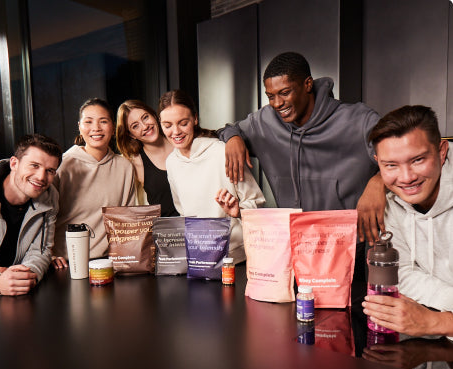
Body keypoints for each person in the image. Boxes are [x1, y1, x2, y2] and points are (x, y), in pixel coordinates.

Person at [218, 51, 386, 246]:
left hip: (349, 247)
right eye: (270, 96)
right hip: (296, 246)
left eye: (285, 92)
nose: (278, 104)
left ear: (307, 84)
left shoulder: (359, 120)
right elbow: (226, 129)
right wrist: (233, 138)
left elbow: (401, 155)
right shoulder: (265, 122)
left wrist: (379, 181)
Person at [362, 105, 453, 337]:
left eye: (418, 160)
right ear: (378, 163)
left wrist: (439, 322)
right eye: (391, 165)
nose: (406, 177)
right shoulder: (391, 205)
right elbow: (401, 272)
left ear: (442, 151)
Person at [158, 90, 265, 263]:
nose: (175, 131)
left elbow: (257, 203)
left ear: (195, 119)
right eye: (167, 125)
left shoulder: (222, 151)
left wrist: (239, 211)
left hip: (236, 259)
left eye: (183, 123)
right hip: (199, 260)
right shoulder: (171, 162)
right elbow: (183, 213)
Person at [52, 98, 137, 267]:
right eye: (88, 122)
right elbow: (44, 215)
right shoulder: (62, 165)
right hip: (66, 263)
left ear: (113, 127)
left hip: (109, 262)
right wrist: (48, 254)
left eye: (103, 121)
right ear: (79, 126)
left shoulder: (124, 166)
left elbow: (128, 218)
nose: (96, 128)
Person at [0, 134, 62, 296]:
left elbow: (41, 251)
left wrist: (28, 275)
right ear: (14, 163)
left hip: (12, 297)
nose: (41, 177)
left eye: (50, 170)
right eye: (34, 165)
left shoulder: (50, 196)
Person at [116, 99, 178, 216]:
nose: (145, 126)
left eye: (145, 117)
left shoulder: (181, 140)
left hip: (198, 227)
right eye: (135, 126)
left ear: (154, 115)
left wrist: (225, 142)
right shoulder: (134, 162)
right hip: (166, 231)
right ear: (131, 134)